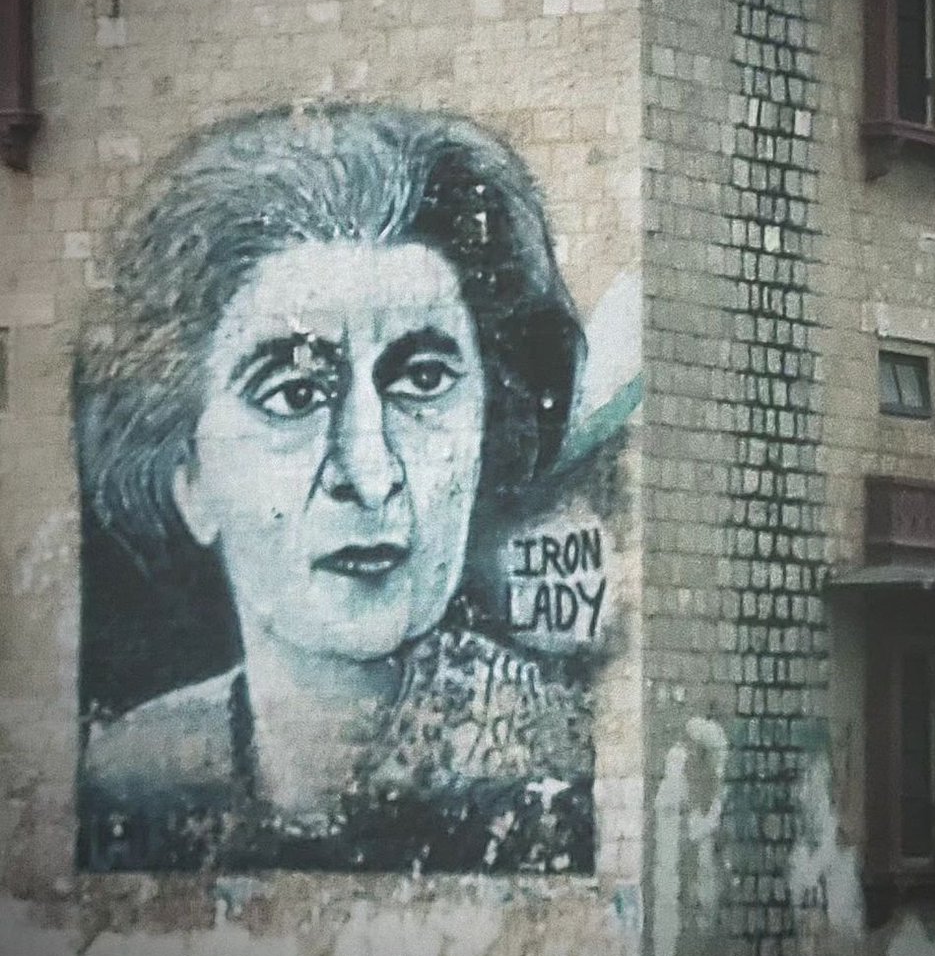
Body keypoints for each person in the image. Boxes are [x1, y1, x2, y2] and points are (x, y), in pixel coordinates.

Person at [75, 103, 594, 873]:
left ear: (490, 426)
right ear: (188, 475)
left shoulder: (550, 769)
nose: (370, 473)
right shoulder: (134, 775)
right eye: (292, 393)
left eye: (423, 380)